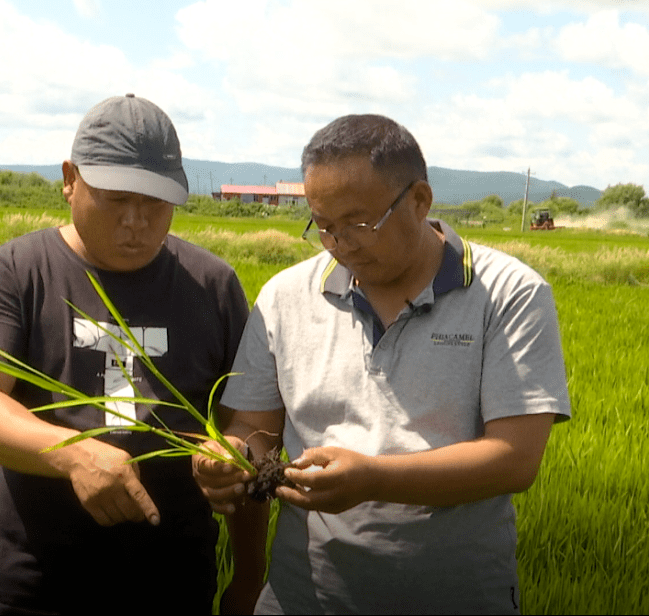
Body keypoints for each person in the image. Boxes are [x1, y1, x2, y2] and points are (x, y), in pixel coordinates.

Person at [193, 114, 571, 614]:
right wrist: (234, 455)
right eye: (323, 225)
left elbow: (515, 457)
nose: (340, 244)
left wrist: (373, 479)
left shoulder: (508, 293)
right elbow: (254, 426)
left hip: (456, 598)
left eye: (359, 223)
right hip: (304, 595)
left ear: (419, 201)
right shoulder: (284, 296)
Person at [0, 94, 249, 615]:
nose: (136, 221)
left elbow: (248, 421)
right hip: (37, 586)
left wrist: (233, 458)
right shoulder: (16, 273)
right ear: (70, 179)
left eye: (155, 203)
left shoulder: (213, 285)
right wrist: (74, 453)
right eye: (115, 198)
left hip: (175, 582)